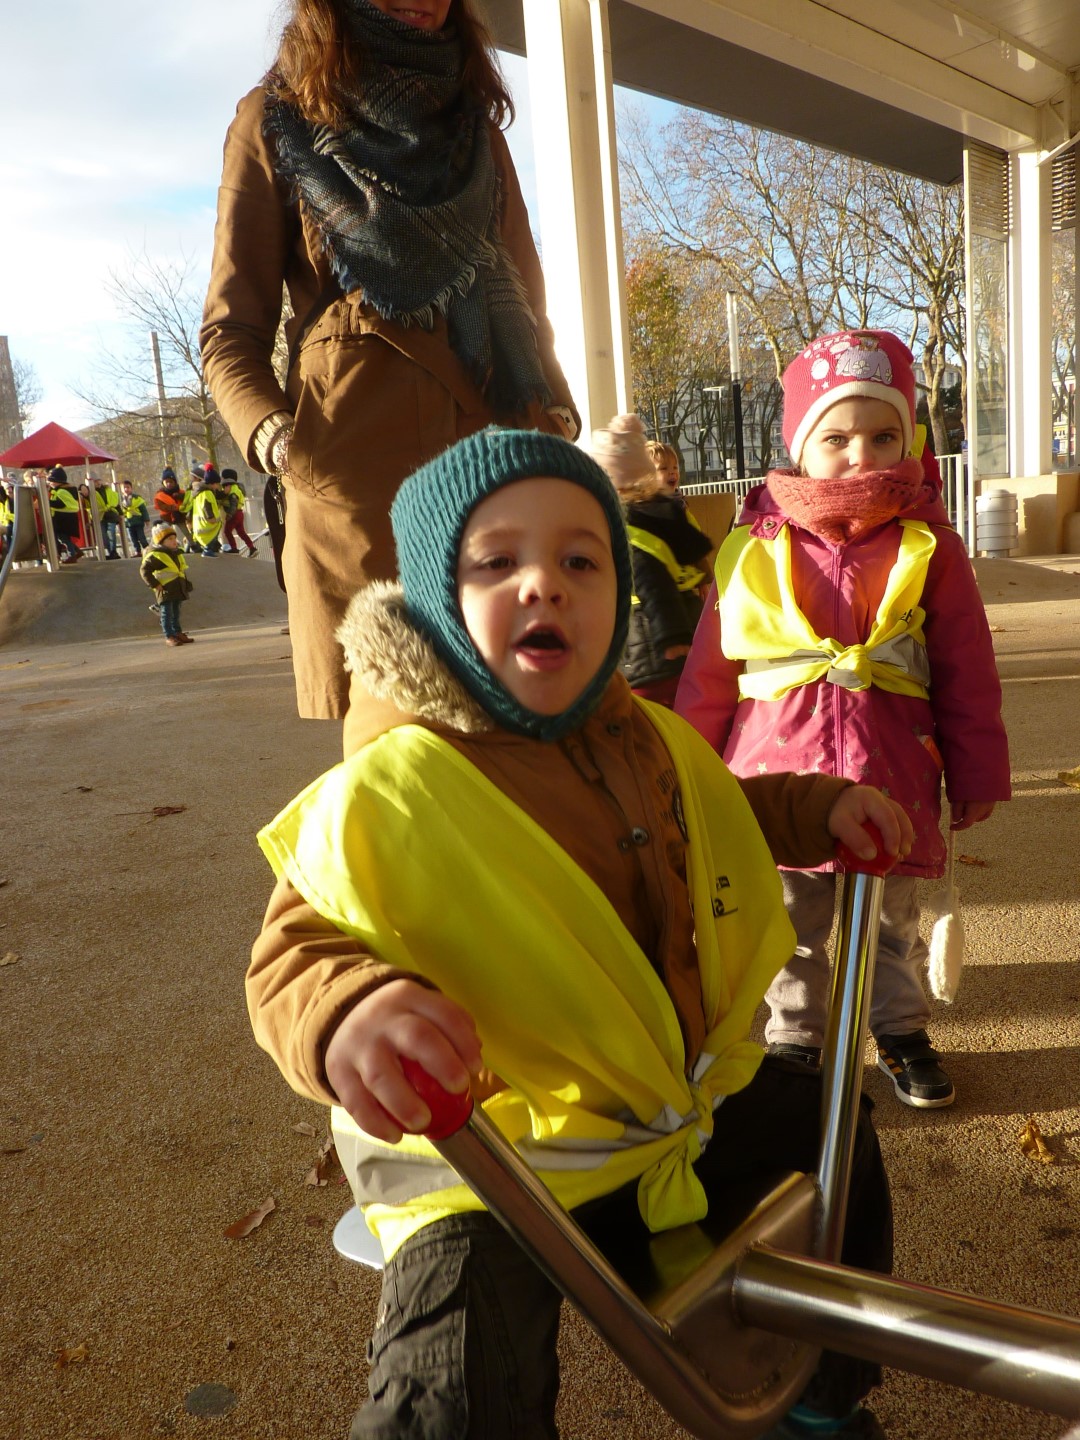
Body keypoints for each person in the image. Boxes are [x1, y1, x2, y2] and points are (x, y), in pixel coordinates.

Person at [248, 427, 910, 1440]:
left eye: (579, 560)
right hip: (507, 1150)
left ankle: (821, 1389)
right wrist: (353, 1014)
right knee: (460, 1360)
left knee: (830, 1129)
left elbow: (714, 810)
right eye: (498, 561)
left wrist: (814, 809)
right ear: (436, 598)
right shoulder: (392, 786)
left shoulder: (638, 730)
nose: (544, 585)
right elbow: (294, 952)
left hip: (665, 1101)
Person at [201, 0, 579, 723]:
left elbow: (528, 303)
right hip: (357, 484)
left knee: (520, 739)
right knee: (394, 761)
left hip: (495, 468)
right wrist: (283, 443)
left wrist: (556, 414)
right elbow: (230, 330)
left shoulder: (474, 127)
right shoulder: (274, 119)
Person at [675, 329, 1011, 1109]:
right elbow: (709, 674)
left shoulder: (930, 545)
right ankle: (799, 1040)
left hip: (891, 766)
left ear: (910, 439)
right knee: (786, 920)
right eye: (837, 437)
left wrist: (977, 768)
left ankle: (898, 1028)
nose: (862, 454)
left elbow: (964, 665)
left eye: (883, 435)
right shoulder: (752, 548)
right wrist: (687, 774)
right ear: (799, 447)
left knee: (892, 916)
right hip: (773, 770)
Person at [590, 413, 712, 707]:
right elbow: (697, 559)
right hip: (686, 622)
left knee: (651, 714)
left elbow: (651, 582)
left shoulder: (628, 527)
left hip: (652, 639)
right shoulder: (665, 512)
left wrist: (672, 636)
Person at [139, 524, 194, 646]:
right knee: (166, 613)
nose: (174, 541)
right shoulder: (155, 555)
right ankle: (169, 636)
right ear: (161, 541)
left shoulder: (176, 553)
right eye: (170, 539)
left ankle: (177, 633)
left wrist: (185, 584)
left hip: (177, 587)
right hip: (164, 588)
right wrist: (155, 584)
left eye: (174, 538)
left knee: (176, 612)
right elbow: (144, 571)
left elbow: (179, 570)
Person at [153, 468, 199, 553]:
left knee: (186, 532)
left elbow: (186, 500)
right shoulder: (160, 495)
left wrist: (178, 496)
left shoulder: (181, 492)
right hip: (167, 517)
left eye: (171, 482)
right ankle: (163, 547)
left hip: (179, 515)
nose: (169, 484)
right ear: (163, 483)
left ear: (175, 482)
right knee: (165, 533)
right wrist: (171, 508)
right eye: (166, 482)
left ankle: (193, 545)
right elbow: (160, 505)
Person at [47, 466, 82, 564]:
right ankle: (76, 551)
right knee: (65, 537)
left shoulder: (61, 491)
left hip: (63, 518)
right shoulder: (68, 489)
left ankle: (72, 554)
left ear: (57, 481)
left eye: (51, 481)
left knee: (62, 538)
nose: (49, 483)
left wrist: (47, 502)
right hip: (69, 517)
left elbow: (61, 504)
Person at [219, 468, 258, 556]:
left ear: (226, 479)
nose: (221, 479)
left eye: (222, 477)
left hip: (234, 513)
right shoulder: (236, 488)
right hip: (240, 513)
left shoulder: (232, 490)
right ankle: (252, 548)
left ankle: (234, 548)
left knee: (227, 531)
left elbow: (233, 504)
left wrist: (229, 514)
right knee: (241, 532)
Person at [190, 465, 225, 556]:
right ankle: (207, 550)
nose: (217, 487)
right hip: (207, 522)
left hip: (199, 524)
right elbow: (206, 506)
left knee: (211, 536)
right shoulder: (207, 493)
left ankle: (210, 548)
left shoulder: (199, 492)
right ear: (213, 483)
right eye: (217, 484)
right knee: (214, 532)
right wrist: (211, 517)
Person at [120, 481, 150, 556]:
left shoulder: (137, 498)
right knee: (133, 539)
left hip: (138, 521)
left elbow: (143, 510)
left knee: (141, 537)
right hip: (128, 523)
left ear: (131, 488)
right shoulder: (120, 500)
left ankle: (147, 549)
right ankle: (138, 551)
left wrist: (146, 520)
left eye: (128, 487)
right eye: (124, 488)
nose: (126, 489)